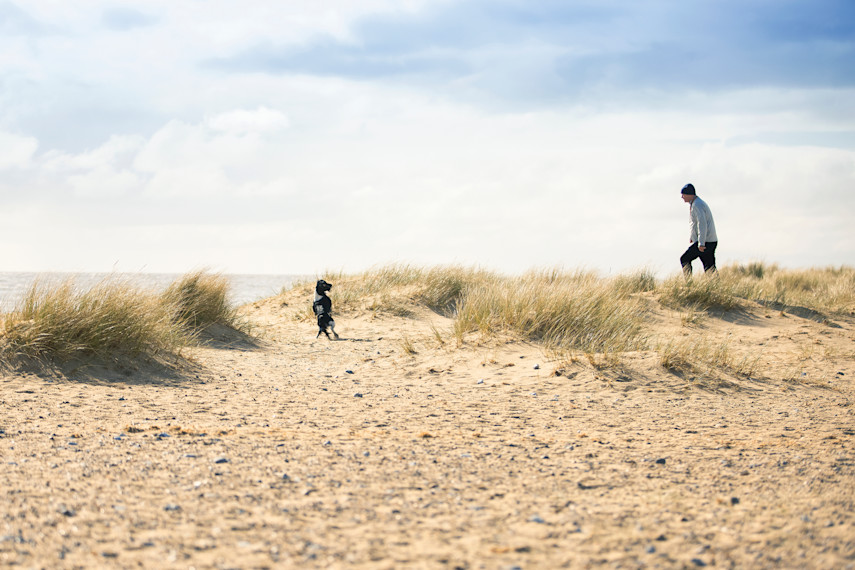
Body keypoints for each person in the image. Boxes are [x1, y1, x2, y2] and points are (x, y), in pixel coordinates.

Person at [679, 183, 718, 275]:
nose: (682, 197)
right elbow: (695, 223)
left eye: (683, 194)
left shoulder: (697, 205)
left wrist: (701, 243)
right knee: (709, 268)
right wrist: (693, 236)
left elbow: (702, 224)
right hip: (708, 241)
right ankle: (716, 287)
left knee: (685, 259)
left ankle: (688, 284)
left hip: (705, 242)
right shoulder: (696, 203)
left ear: (689, 194)